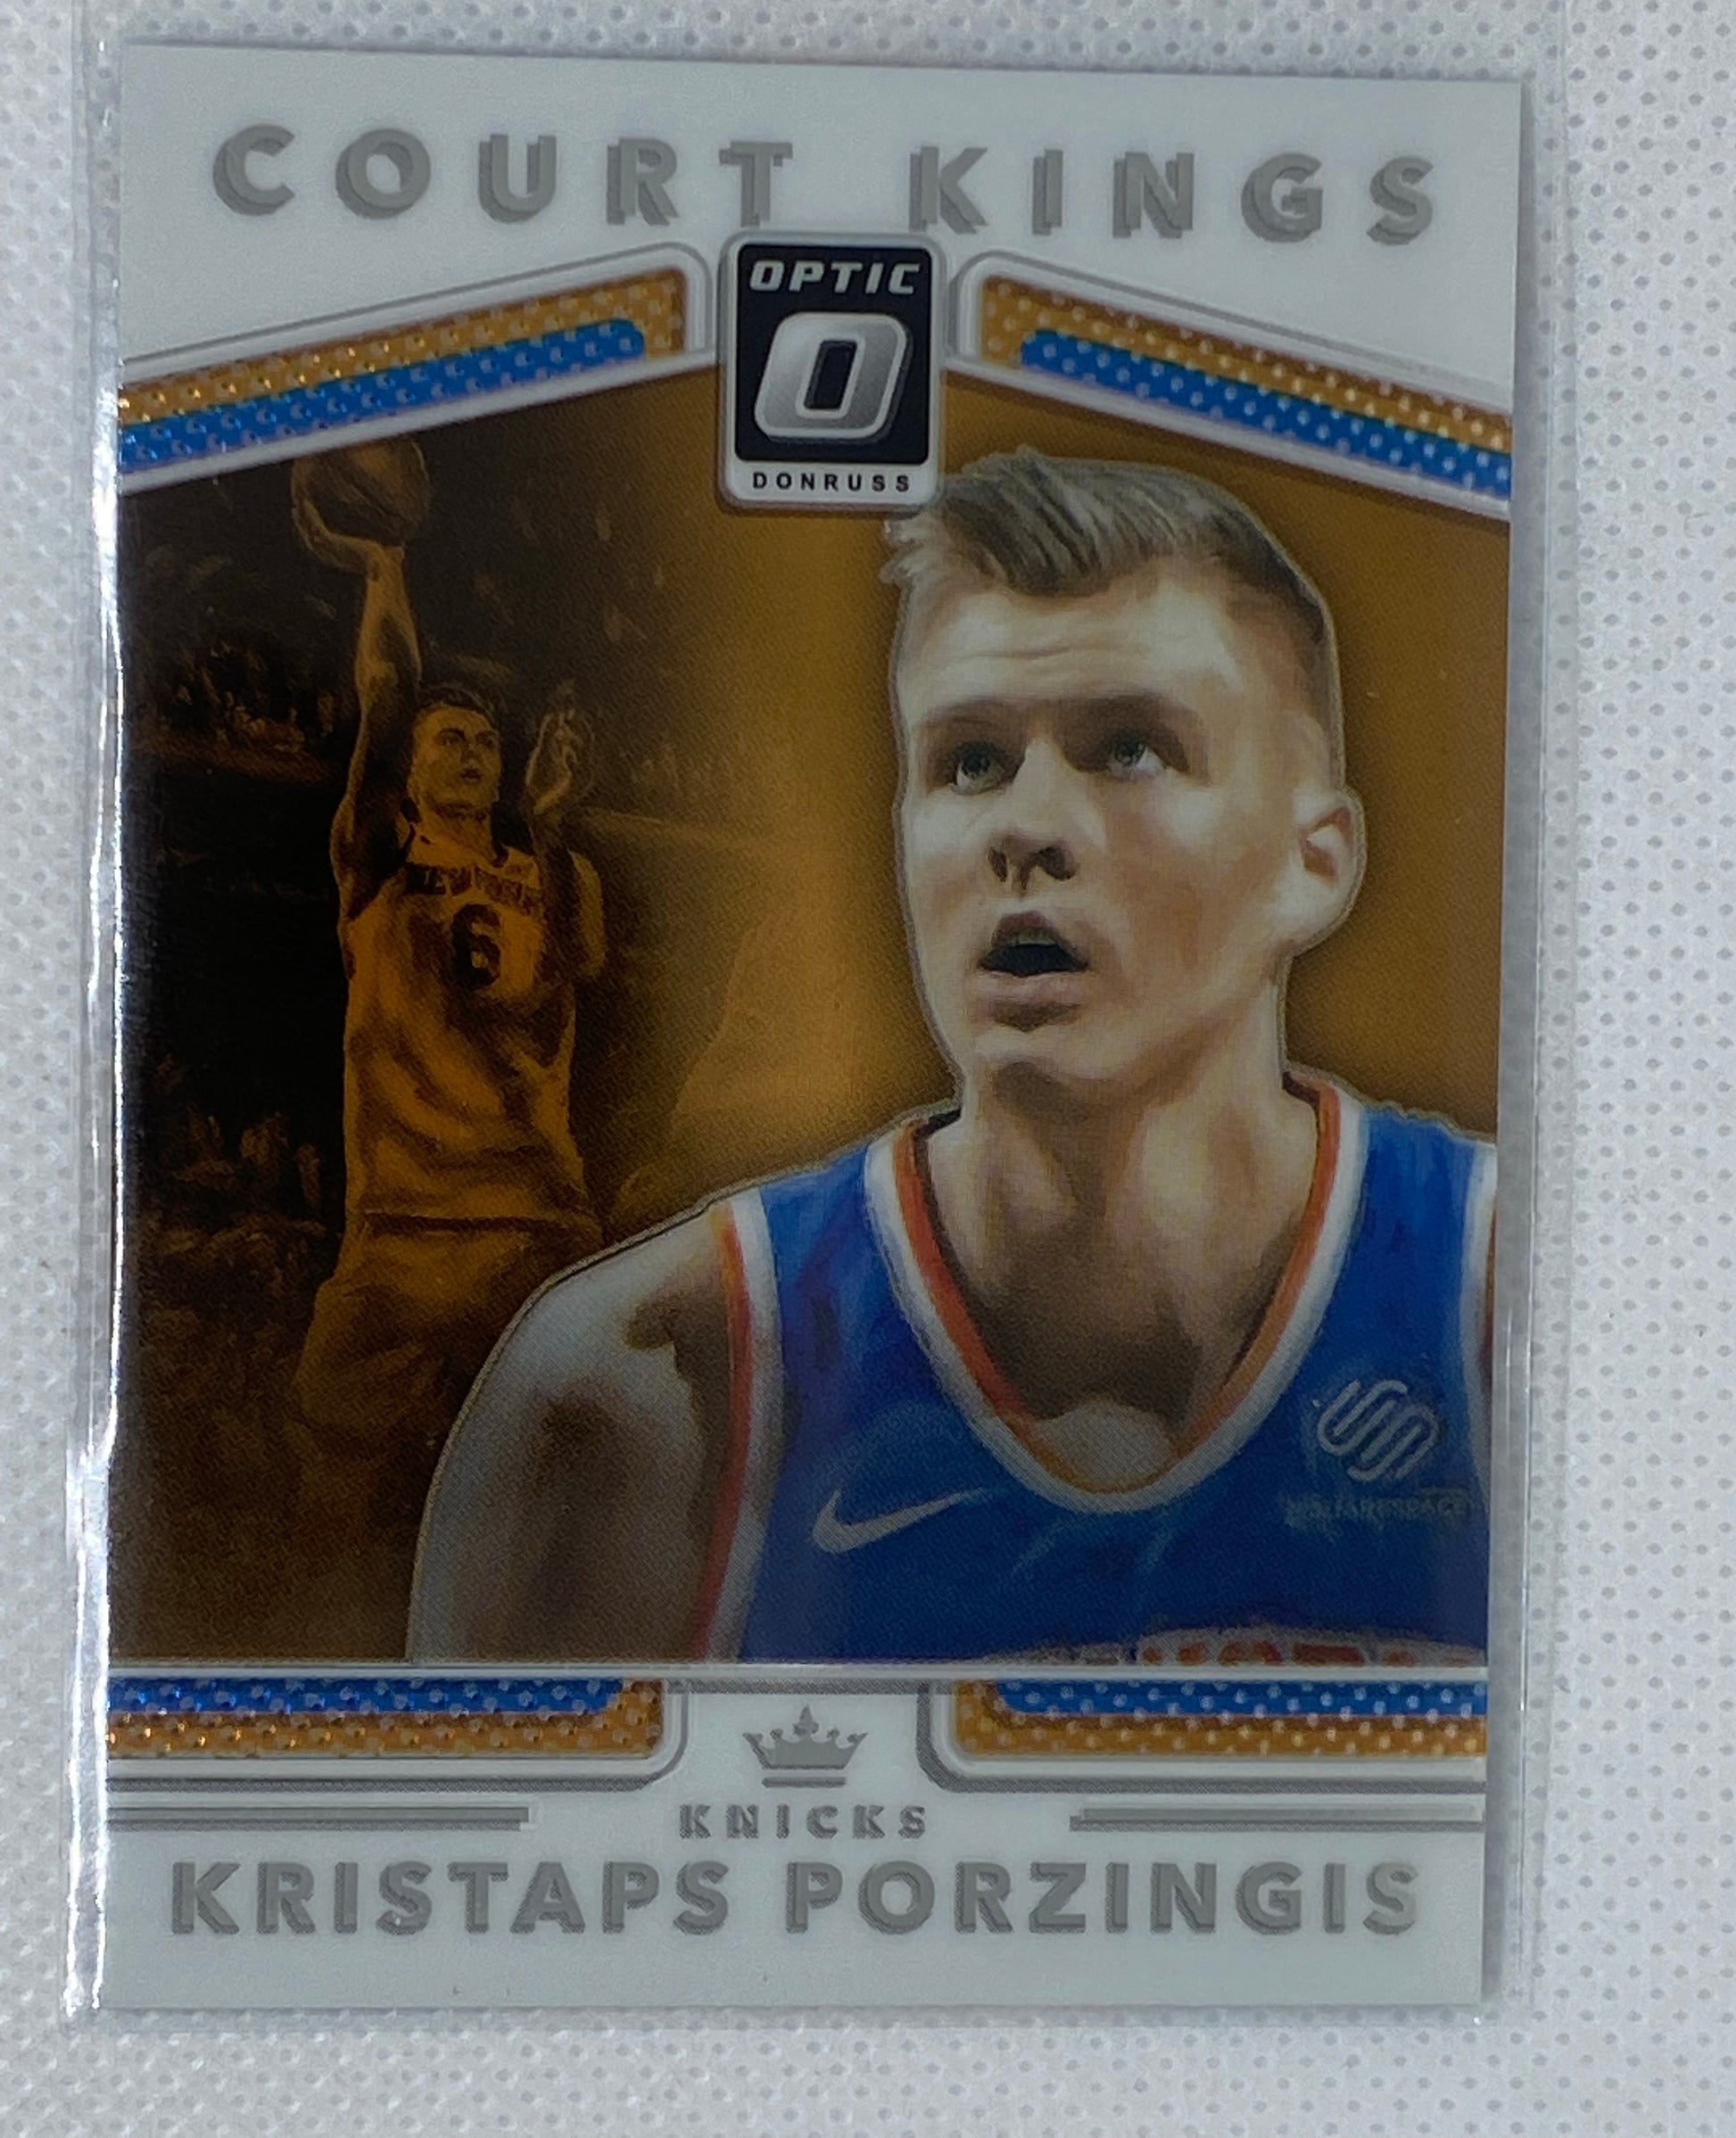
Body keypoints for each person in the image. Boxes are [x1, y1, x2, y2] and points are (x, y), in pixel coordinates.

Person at [408, 450, 1493, 1666]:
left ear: (1315, 863)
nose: (1024, 827)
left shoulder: (1519, 1313)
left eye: (1129, 748)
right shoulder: (636, 1389)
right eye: (969, 761)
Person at [285, 486, 607, 1647]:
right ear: (412, 772)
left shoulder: (557, 871)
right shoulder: (378, 854)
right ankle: (320, 1681)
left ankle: (531, 1683)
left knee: (555, 1510)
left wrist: (552, 830)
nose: (469, 753)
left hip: (532, 1229)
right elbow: (384, 695)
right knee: (330, 1497)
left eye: (483, 743)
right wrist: (385, 570)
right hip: (400, 1233)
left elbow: (574, 981)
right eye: (448, 740)